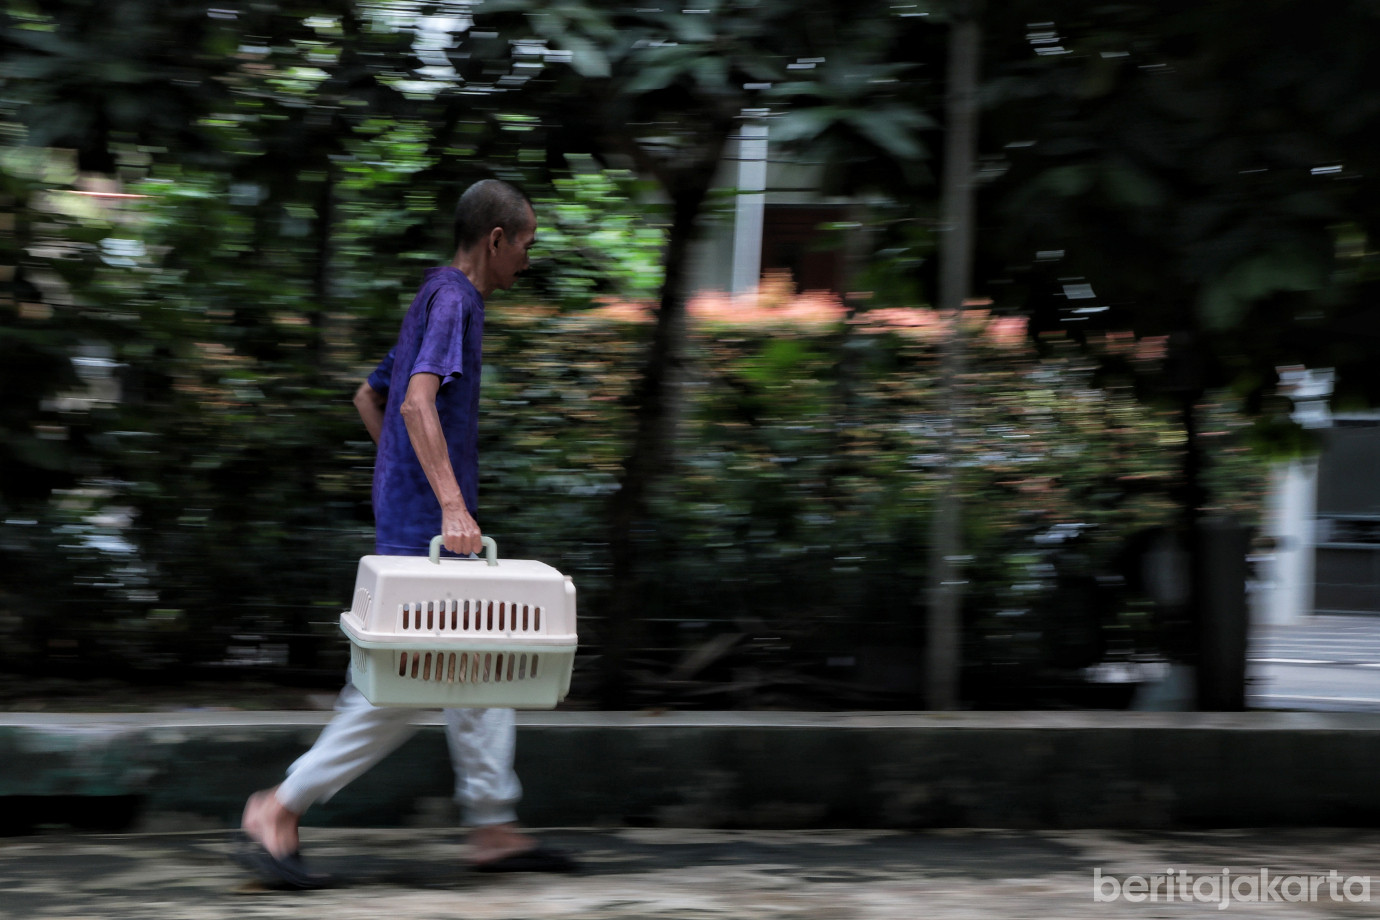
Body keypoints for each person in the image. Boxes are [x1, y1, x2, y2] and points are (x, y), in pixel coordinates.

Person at [238, 179, 573, 889]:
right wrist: (447, 502)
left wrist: (402, 474)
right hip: (430, 525)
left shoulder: (431, 295)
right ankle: (279, 808)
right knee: (406, 683)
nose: (526, 262)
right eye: (526, 247)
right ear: (496, 240)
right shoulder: (456, 299)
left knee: (478, 658)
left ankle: (492, 826)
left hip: (414, 512)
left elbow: (373, 396)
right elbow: (417, 403)